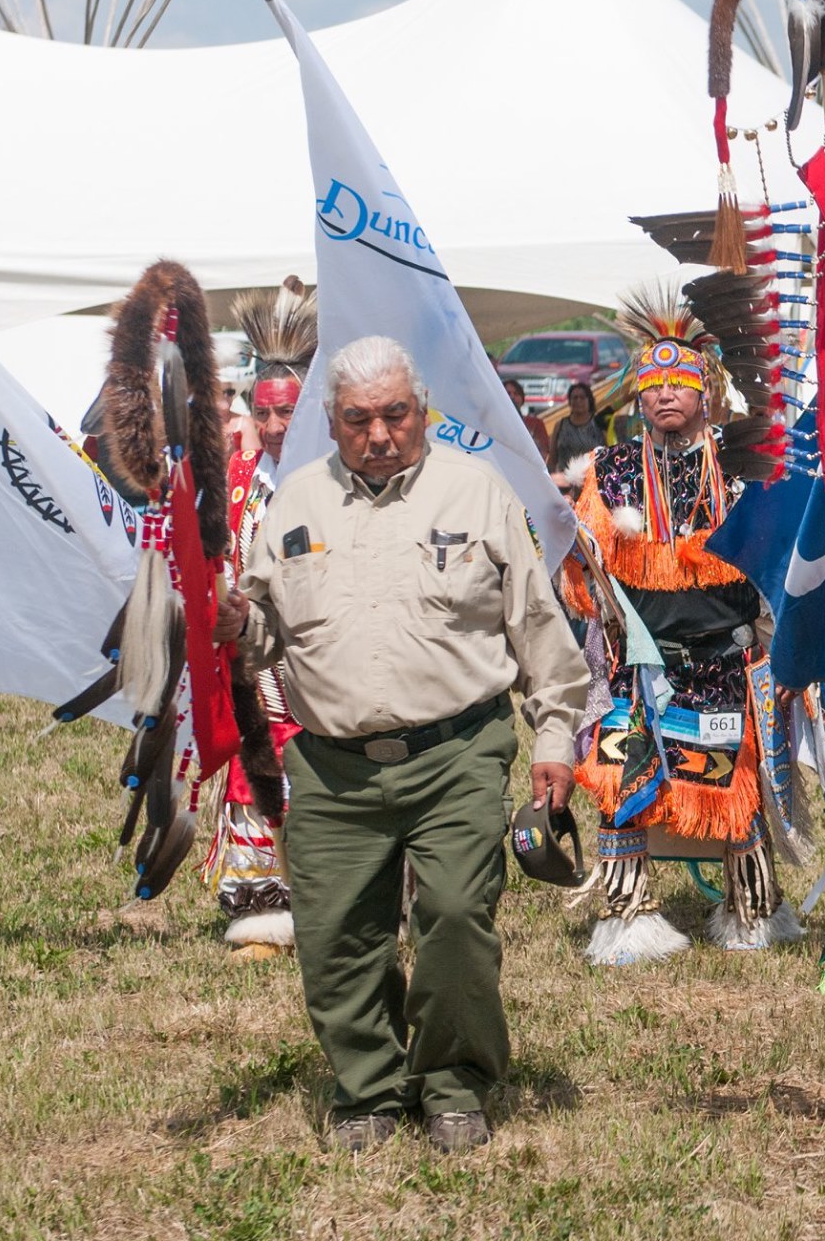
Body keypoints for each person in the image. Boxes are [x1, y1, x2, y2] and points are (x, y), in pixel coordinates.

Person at [214, 336, 589, 1155]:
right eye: (358, 419)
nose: (380, 433)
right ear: (332, 421)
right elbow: (264, 641)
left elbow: (539, 628)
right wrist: (238, 627)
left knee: (455, 914)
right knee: (336, 934)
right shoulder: (294, 505)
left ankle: (454, 1082)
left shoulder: (477, 494)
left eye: (396, 414)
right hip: (332, 766)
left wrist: (555, 735)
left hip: (457, 750)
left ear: (422, 411)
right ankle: (368, 1088)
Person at [560, 281, 808, 960]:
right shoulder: (610, 472)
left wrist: (779, 649)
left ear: (706, 391)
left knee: (731, 789)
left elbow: (778, 569)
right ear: (638, 396)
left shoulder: (738, 471)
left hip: (722, 662)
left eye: (679, 382)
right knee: (619, 782)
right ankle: (627, 912)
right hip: (637, 664)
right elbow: (587, 576)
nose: (665, 394)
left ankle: (752, 908)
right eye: (652, 384)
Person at [202, 281, 319, 958]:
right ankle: (265, 912)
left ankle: (357, 901)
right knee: (257, 769)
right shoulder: (240, 481)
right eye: (264, 411)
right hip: (258, 664)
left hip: (327, 664)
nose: (274, 425)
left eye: (287, 412)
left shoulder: (339, 479)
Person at [547, 381, 606, 484]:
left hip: (593, 482)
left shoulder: (599, 423)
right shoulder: (560, 425)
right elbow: (552, 457)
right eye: (575, 398)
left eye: (582, 397)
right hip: (564, 482)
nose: (578, 401)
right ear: (569, 402)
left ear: (589, 400)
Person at [502, 379, 552, 461]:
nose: (512, 397)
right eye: (508, 393)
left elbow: (544, 453)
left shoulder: (536, 424)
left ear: (522, 398)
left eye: (516, 394)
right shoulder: (492, 423)